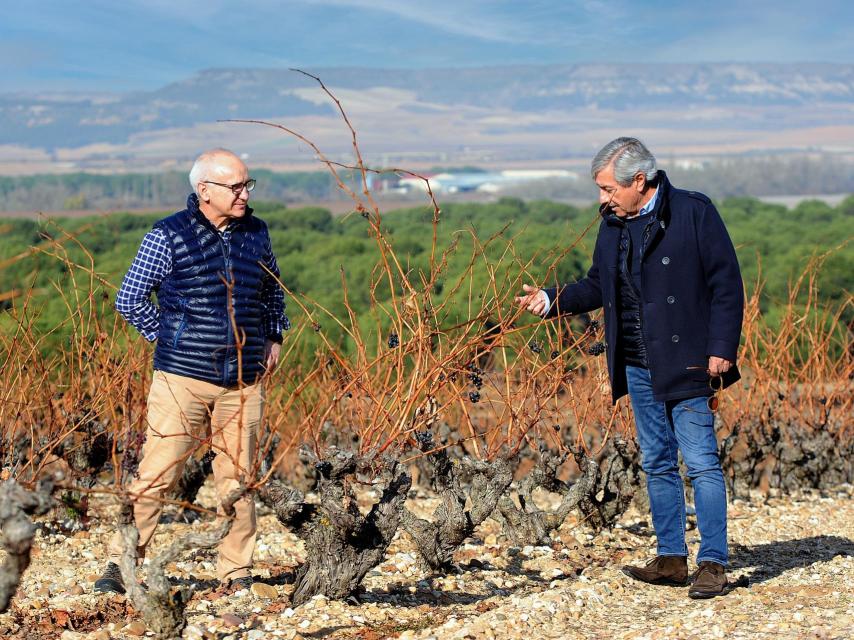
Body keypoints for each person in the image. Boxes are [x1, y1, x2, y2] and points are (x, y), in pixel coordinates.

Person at [516, 137, 743, 599]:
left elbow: (726, 284)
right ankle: (671, 558)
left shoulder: (694, 212)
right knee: (658, 461)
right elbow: (598, 285)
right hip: (638, 363)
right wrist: (549, 300)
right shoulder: (613, 224)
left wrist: (722, 347)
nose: (602, 198)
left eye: (607, 188)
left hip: (690, 359)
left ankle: (713, 563)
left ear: (638, 181)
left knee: (700, 461)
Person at [94, 148, 288, 594]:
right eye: (236, 186)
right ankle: (120, 562)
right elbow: (130, 299)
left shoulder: (256, 233)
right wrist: (170, 339)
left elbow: (273, 290)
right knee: (157, 472)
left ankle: (236, 573)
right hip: (181, 379)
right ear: (205, 190)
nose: (244, 194)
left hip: (244, 379)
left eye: (247, 184)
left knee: (237, 481)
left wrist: (274, 335)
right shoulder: (167, 235)